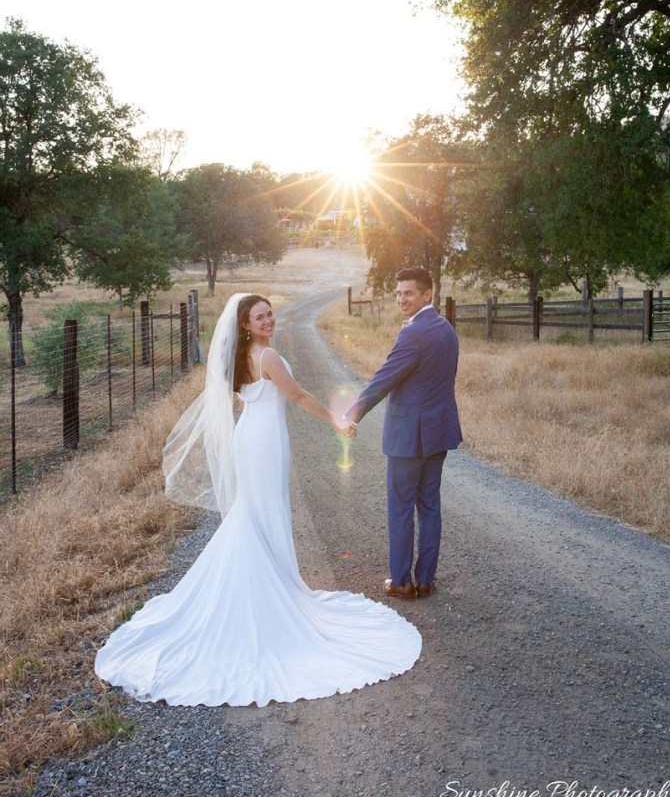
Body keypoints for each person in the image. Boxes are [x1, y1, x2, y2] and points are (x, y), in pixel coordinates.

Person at [94, 293, 421, 707]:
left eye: (270, 313)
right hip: (264, 442)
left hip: (250, 435)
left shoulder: (242, 355)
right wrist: (337, 420)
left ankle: (268, 584)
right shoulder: (267, 357)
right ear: (245, 325)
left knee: (255, 512)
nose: (269, 320)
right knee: (262, 512)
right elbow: (298, 396)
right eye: (260, 317)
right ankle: (267, 593)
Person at [344, 268, 462, 600]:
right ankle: (425, 580)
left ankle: (400, 582)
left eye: (408, 293)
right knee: (430, 506)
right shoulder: (446, 328)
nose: (401, 299)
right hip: (438, 432)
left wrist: (351, 414)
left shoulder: (413, 333)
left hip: (409, 436)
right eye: (398, 293)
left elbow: (384, 379)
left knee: (400, 509)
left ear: (427, 294)